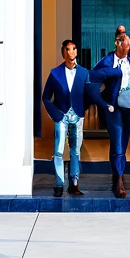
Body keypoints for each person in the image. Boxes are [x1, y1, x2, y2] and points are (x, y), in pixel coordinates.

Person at [89, 26, 130, 197]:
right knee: (117, 145)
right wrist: (103, 98)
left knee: (122, 146)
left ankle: (116, 175)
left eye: (129, 46)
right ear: (118, 44)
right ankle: (119, 183)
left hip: (129, 109)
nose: (128, 48)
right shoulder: (107, 60)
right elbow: (92, 77)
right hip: (113, 109)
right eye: (125, 45)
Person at [41, 39, 91, 197]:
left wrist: (83, 109)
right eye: (68, 50)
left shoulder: (84, 73)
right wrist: (56, 115)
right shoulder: (55, 73)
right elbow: (46, 97)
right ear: (63, 53)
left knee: (75, 151)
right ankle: (59, 183)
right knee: (59, 150)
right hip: (61, 116)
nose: (71, 53)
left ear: (77, 52)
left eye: (74, 49)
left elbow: (89, 94)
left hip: (77, 116)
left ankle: (74, 183)